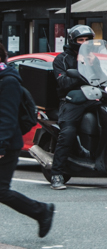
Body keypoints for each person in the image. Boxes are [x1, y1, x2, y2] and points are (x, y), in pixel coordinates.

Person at [0, 50, 53, 237]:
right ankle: (41, 211)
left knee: (2, 191)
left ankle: (41, 211)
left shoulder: (8, 81)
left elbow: (7, 117)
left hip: (6, 145)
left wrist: (2, 145)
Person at [49, 24, 95, 190]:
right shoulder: (61, 59)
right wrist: (83, 68)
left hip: (92, 97)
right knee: (67, 132)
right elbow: (63, 83)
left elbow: (103, 77)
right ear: (73, 41)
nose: (84, 43)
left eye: (87, 40)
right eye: (80, 40)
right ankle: (57, 174)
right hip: (71, 99)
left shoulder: (93, 57)